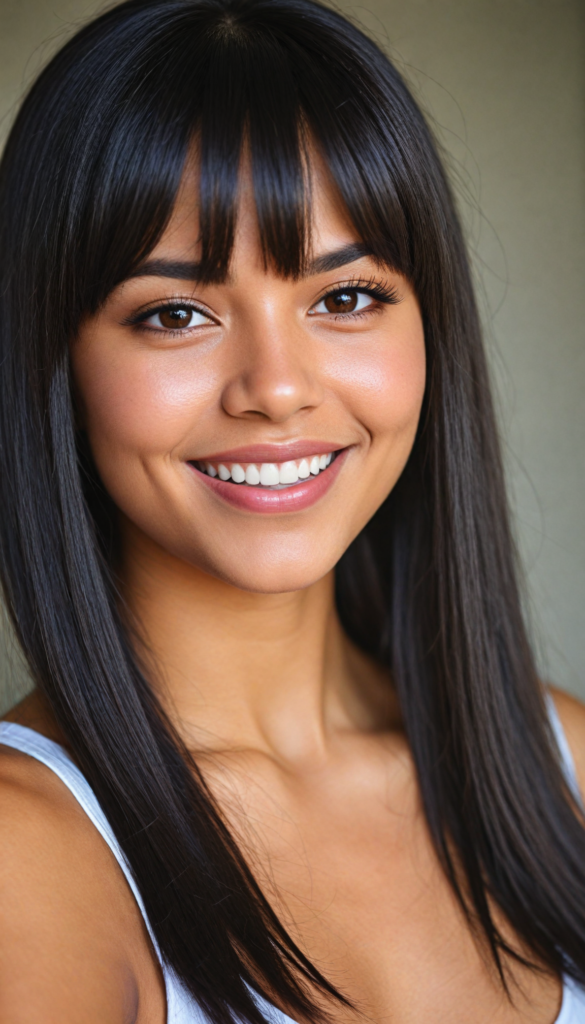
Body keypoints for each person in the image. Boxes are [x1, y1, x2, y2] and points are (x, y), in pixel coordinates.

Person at [0, 0, 584, 1020]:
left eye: (345, 296)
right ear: (54, 358)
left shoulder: (566, 763)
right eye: (175, 313)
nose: (276, 387)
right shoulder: (24, 854)